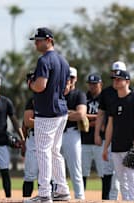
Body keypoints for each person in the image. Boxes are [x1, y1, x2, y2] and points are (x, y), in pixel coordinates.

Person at [24, 27, 71, 203]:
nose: (36, 43)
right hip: (61, 111)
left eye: (39, 40)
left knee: (43, 152)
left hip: (47, 113)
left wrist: (30, 83)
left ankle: (44, 193)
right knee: (54, 151)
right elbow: (66, 89)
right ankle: (62, 190)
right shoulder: (64, 61)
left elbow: (40, 86)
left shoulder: (44, 60)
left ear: (49, 40)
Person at [102, 69, 134, 201]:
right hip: (116, 145)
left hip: (130, 145)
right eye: (114, 79)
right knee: (121, 179)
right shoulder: (114, 100)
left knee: (132, 177)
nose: (116, 81)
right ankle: (127, 200)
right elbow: (110, 125)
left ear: (127, 81)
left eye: (119, 79)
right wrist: (106, 146)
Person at [93, 61, 126, 200]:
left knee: (122, 171)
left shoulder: (130, 93)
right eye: (114, 72)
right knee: (107, 170)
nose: (116, 75)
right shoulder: (106, 93)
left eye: (119, 73)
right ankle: (106, 199)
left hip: (124, 137)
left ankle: (117, 198)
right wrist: (96, 134)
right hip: (108, 136)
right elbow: (100, 114)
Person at [61, 67, 86, 200]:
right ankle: (58, 195)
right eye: (67, 76)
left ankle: (79, 198)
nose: (69, 79)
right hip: (57, 133)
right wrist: (70, 113)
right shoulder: (57, 93)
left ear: (75, 79)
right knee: (55, 168)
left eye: (71, 77)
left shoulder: (79, 94)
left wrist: (61, 114)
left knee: (75, 168)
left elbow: (80, 114)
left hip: (72, 133)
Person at [22, 97, 38, 197]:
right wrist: (23, 142)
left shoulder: (54, 98)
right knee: (30, 175)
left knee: (46, 176)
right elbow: (26, 122)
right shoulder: (33, 100)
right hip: (34, 137)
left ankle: (46, 198)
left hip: (50, 137)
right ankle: (26, 199)